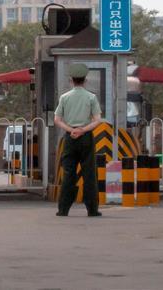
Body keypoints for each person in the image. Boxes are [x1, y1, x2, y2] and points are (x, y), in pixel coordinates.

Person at [54, 63, 103, 217]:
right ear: (85, 80)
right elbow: (97, 120)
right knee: (89, 173)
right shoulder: (91, 97)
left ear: (71, 80)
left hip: (70, 138)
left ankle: (63, 209)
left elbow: (57, 119)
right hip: (86, 137)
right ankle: (92, 209)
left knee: (68, 173)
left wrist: (71, 130)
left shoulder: (65, 97)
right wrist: (83, 130)